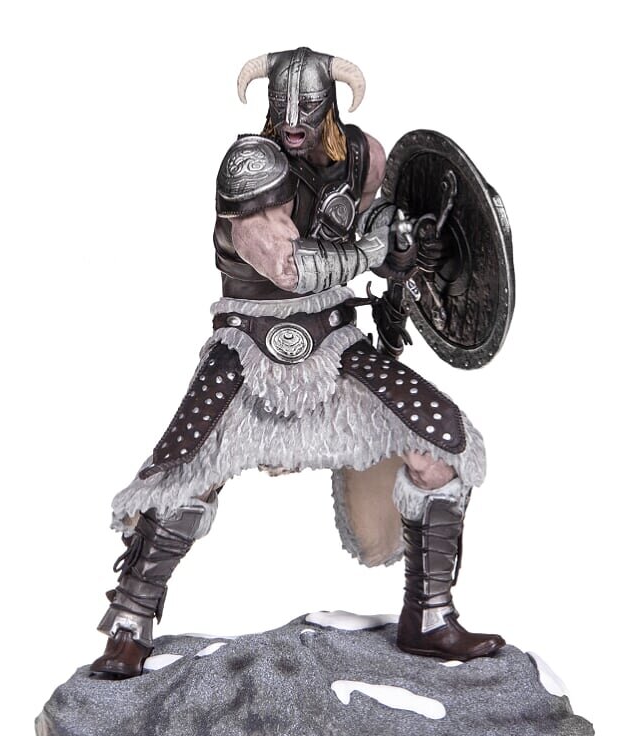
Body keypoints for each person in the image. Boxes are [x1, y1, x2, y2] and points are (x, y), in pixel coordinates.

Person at [90, 47, 504, 679]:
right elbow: (288, 267)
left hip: (334, 343)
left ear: (329, 105)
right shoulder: (251, 166)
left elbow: (372, 216)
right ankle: (129, 623)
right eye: (281, 105)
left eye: (306, 106)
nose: (291, 121)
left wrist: (402, 237)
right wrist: (371, 251)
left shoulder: (363, 156)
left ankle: (430, 617)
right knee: (184, 477)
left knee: (442, 443)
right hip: (251, 347)